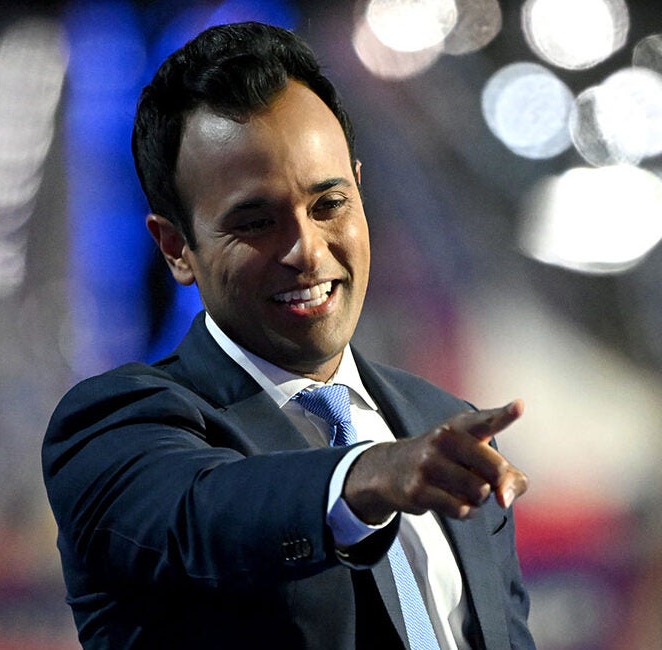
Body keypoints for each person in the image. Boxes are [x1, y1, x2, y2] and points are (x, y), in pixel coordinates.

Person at [43, 21, 534, 649]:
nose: (307, 250)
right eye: (256, 222)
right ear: (176, 247)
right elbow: (205, 516)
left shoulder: (443, 429)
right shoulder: (112, 430)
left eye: (329, 205)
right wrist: (365, 476)